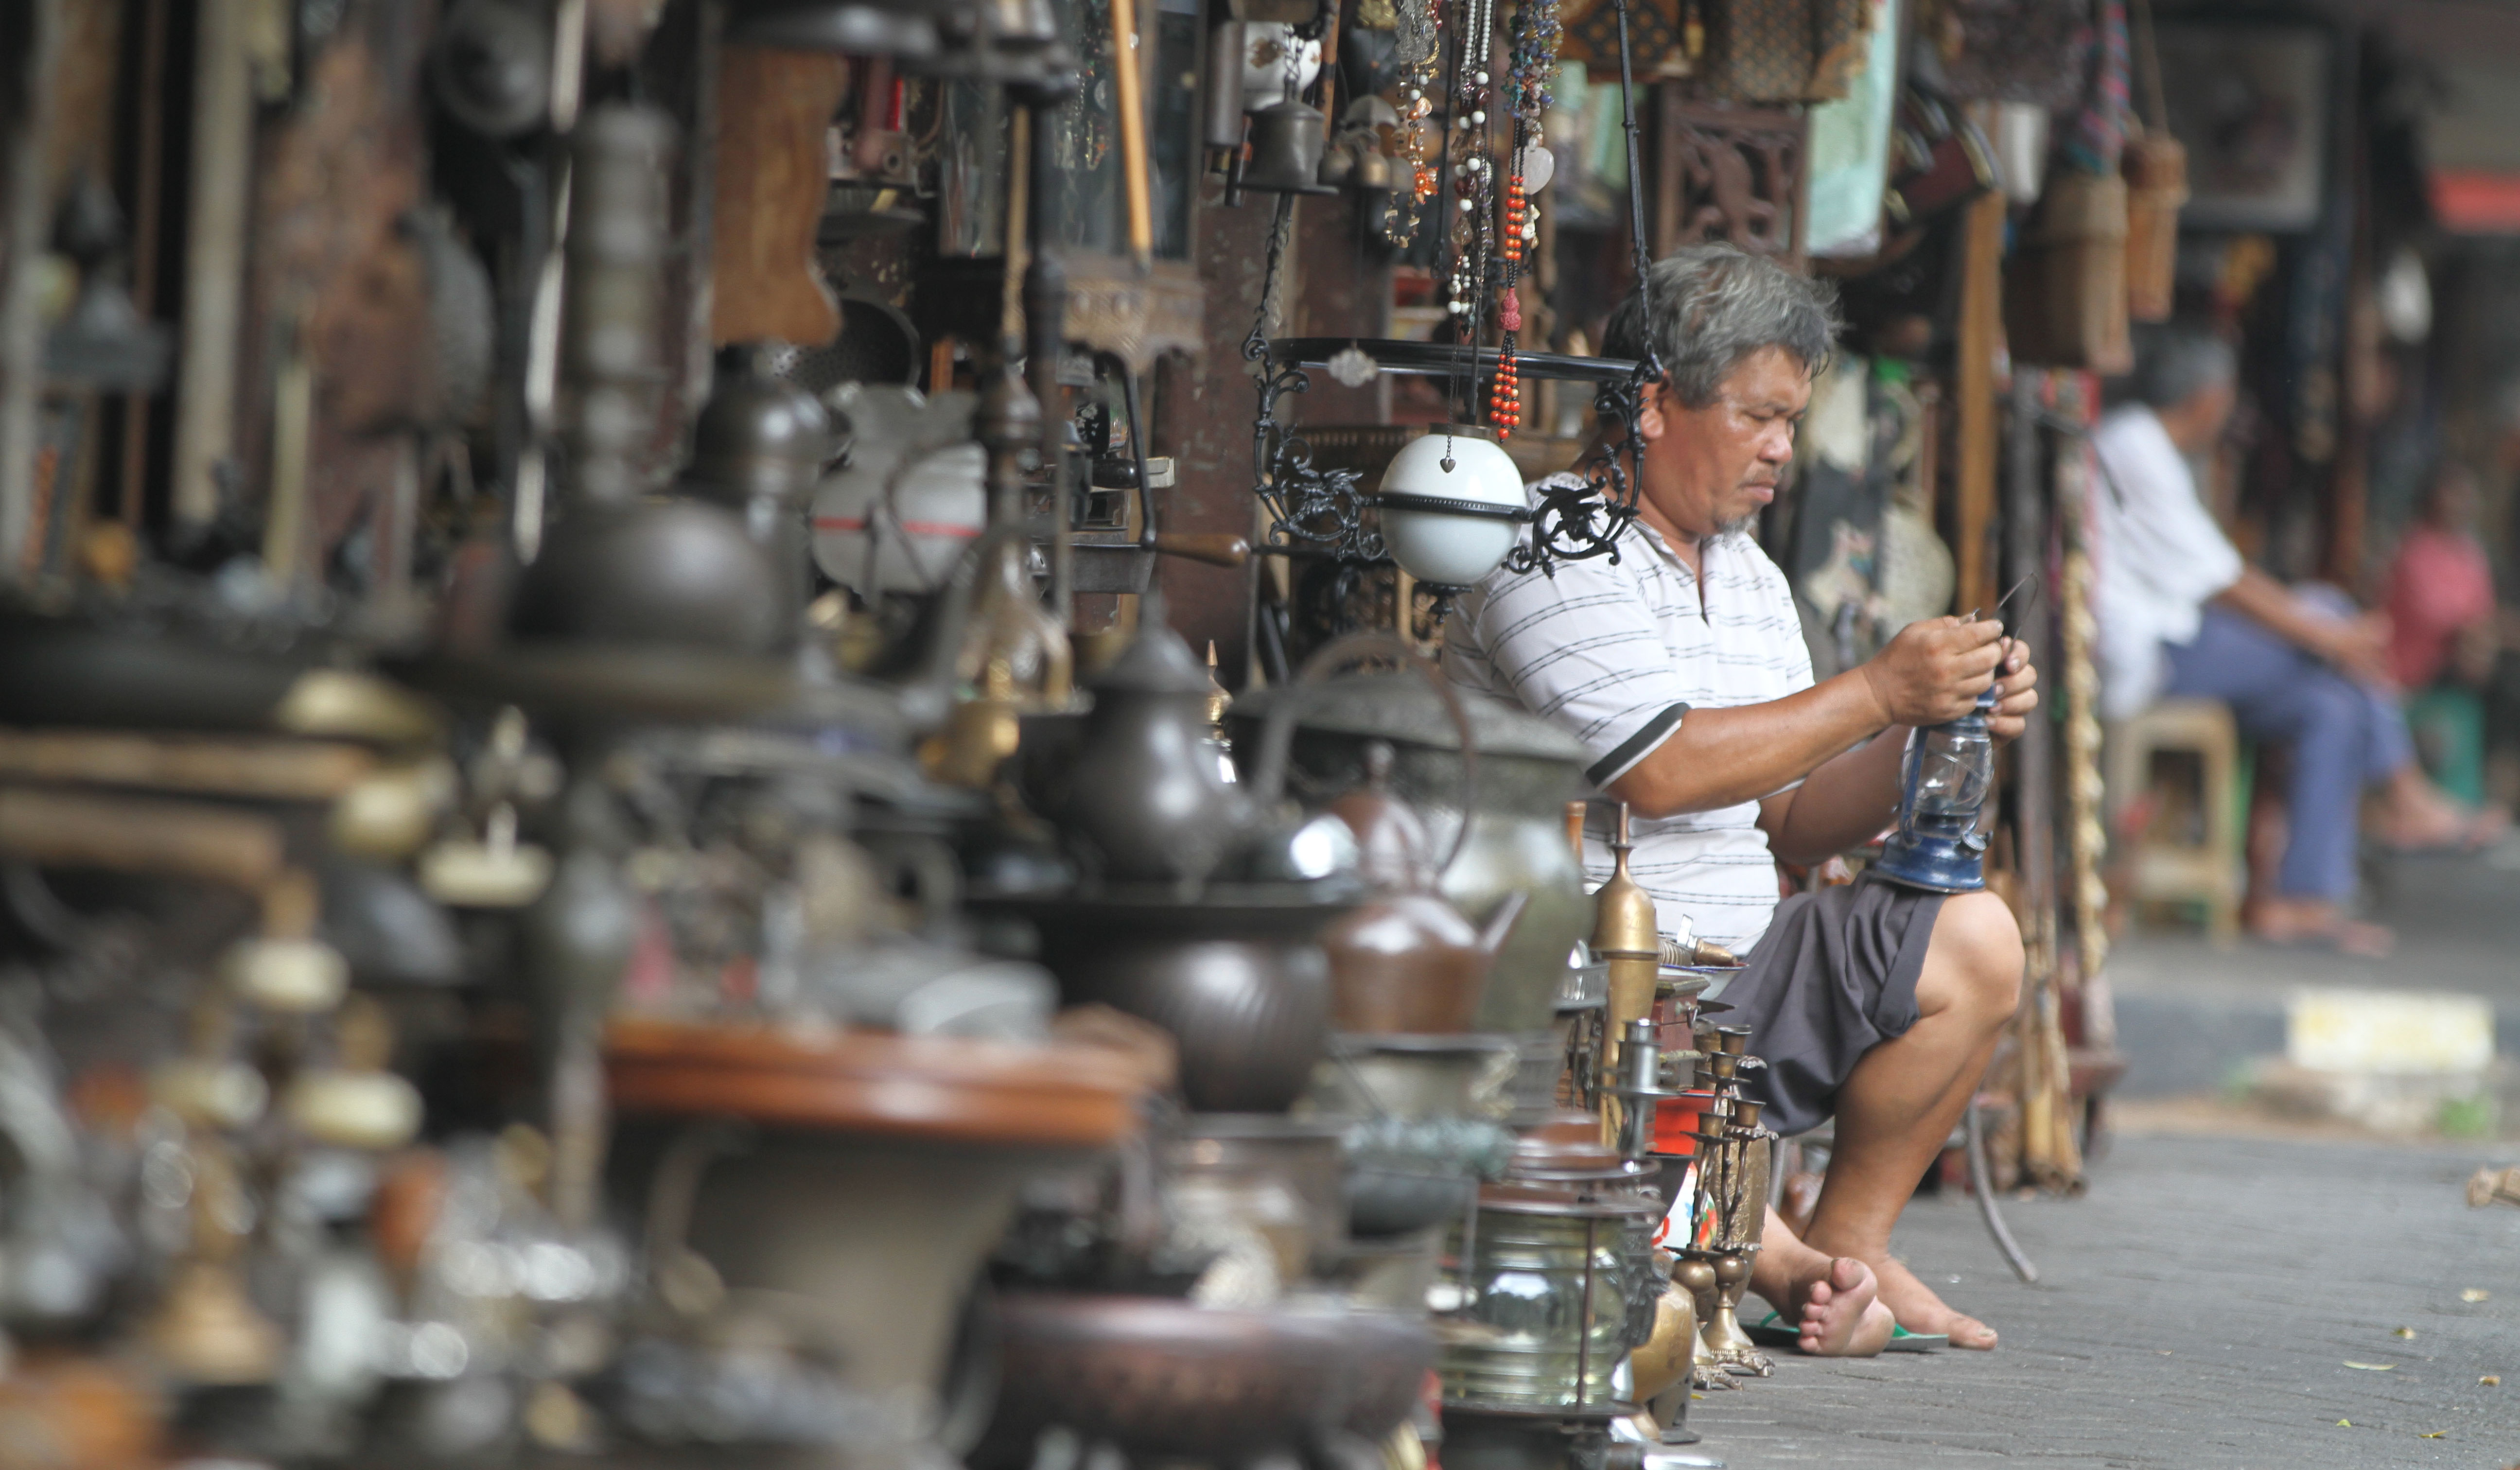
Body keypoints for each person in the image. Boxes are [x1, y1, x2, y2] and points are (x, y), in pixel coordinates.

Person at [1446, 243, 2034, 1354]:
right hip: (1583, 989)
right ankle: (1791, 1268)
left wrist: (1930, 718)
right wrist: (1877, 689)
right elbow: (1659, 770)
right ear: (1653, 404)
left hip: (1744, 974)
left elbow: (1797, 817)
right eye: (1758, 417)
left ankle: (1849, 1244)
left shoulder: (1749, 574)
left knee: (1977, 938)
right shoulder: (1544, 544)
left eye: (1791, 422)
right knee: (1618, 1079)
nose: (1781, 450)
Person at [2092, 328, 2484, 956]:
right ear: (2209, 397)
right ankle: (2404, 790)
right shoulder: (2135, 442)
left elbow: (2218, 574)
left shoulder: (2146, 445)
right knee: (2328, 615)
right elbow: (2222, 580)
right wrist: (2333, 635)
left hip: (2178, 642)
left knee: (2329, 706)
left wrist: (2335, 639)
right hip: (2150, 654)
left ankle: (2300, 901)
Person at [2381, 465, 2503, 812]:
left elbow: (2484, 613)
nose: (2461, 503)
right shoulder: (2414, 551)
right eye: (2453, 493)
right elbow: (2434, 615)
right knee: (2475, 657)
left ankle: (2472, 792)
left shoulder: (2471, 555)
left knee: (2495, 672)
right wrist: (2474, 633)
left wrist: (2480, 637)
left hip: (2459, 668)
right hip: (2412, 672)